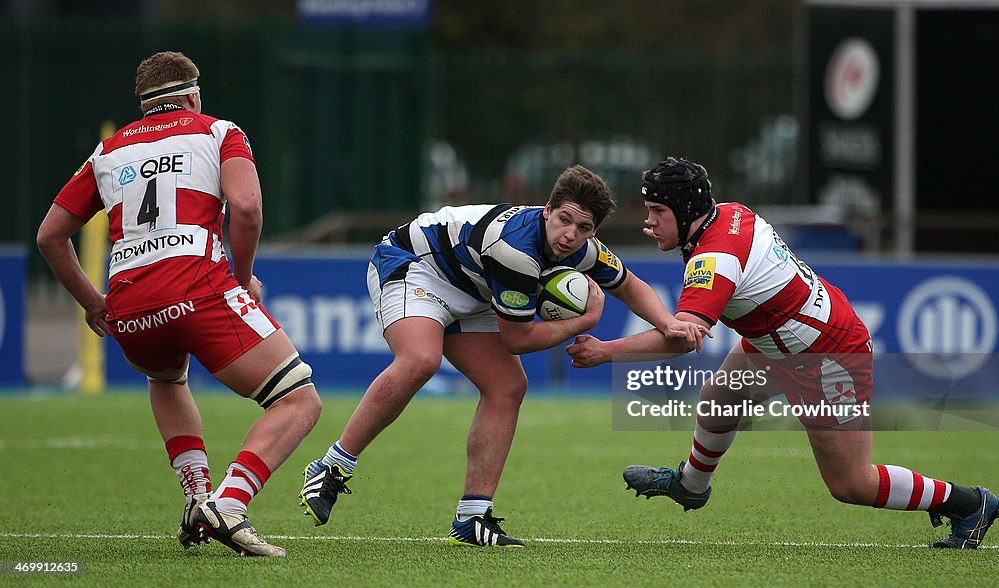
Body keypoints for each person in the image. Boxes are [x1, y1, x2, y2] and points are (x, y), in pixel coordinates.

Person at [566, 156, 999, 549]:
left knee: (852, 484)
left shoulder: (715, 259)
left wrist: (606, 351)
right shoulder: (729, 213)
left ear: (685, 212)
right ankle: (692, 486)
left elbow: (684, 339)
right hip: (779, 341)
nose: (649, 223)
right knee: (720, 399)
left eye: (658, 212)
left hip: (829, 356)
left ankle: (969, 503)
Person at [299, 165, 705, 546]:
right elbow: (517, 339)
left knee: (507, 387)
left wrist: (668, 323)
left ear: (593, 231)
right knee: (421, 360)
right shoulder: (515, 252)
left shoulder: (584, 250)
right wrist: (585, 322)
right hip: (416, 264)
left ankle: (473, 516)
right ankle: (331, 468)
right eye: (564, 219)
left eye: (583, 227)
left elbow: (630, 286)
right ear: (547, 210)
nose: (570, 234)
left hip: (472, 286)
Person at [36, 51, 322, 558]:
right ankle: (228, 504)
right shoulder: (219, 132)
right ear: (192, 95)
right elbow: (249, 209)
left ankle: (196, 498)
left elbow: (50, 236)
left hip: (130, 307)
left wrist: (94, 303)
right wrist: (241, 278)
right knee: (299, 399)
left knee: (166, 378)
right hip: (198, 289)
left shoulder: (107, 152)